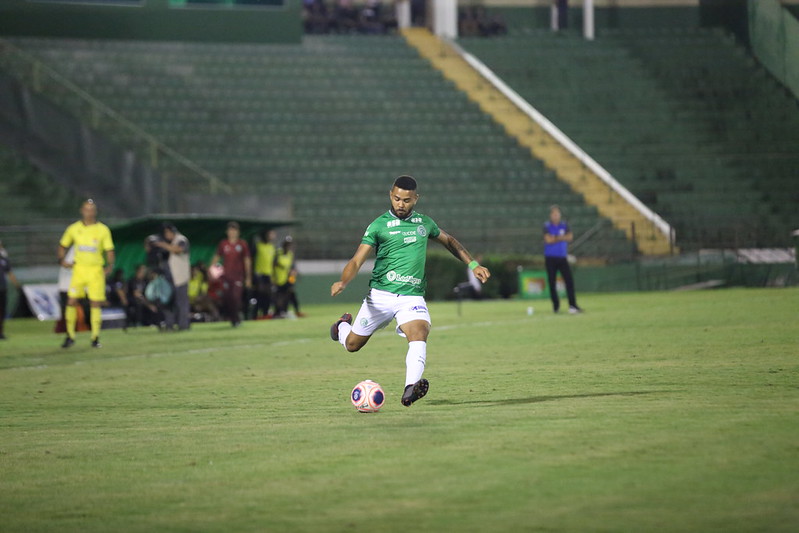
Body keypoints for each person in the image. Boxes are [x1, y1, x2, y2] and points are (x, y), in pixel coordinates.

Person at [329, 175, 490, 407]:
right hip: (380, 297)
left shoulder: (424, 223)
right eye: (396, 199)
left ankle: (410, 389)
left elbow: (450, 241)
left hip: (411, 297)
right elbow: (356, 261)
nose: (401, 204)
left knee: (419, 332)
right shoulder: (378, 225)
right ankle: (340, 327)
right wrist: (343, 282)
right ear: (390, 196)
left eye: (406, 200)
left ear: (416, 199)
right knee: (352, 345)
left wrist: (473, 264)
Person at [57, 199, 115, 348]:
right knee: (71, 301)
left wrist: (110, 266)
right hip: (79, 270)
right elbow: (63, 245)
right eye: (86, 209)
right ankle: (70, 336)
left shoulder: (102, 230)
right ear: (82, 211)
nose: (89, 212)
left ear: (95, 212)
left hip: (95, 270)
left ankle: (95, 337)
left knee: (95, 302)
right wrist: (62, 260)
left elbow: (109, 250)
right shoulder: (74, 228)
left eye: (92, 209)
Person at [210, 221, 252, 327]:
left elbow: (247, 261)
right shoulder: (223, 244)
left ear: (238, 232)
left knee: (236, 297)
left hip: (238, 276)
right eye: (230, 230)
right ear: (227, 232)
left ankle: (237, 318)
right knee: (227, 298)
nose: (232, 232)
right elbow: (216, 258)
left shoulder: (242, 244)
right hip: (226, 277)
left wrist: (248, 277)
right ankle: (234, 319)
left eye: (234, 230)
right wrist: (211, 270)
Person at [543, 205, 581, 314]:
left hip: (562, 257)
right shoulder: (547, 226)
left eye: (557, 214)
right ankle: (556, 306)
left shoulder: (565, 225)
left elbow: (570, 237)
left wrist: (555, 238)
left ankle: (572, 305)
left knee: (569, 281)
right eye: (553, 214)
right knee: (552, 282)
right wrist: (561, 237)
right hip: (550, 258)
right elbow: (548, 240)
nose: (555, 216)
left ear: (560, 215)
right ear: (551, 215)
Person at [154, 223, 191, 331]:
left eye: (167, 232)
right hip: (169, 278)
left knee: (181, 303)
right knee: (168, 303)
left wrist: (162, 245)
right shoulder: (168, 243)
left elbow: (179, 249)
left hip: (180, 278)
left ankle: (183, 325)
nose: (166, 235)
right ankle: (169, 324)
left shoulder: (181, 239)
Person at [274, 236, 303, 318]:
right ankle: (279, 311)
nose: (289, 247)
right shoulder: (278, 253)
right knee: (279, 296)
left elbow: (293, 267)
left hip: (289, 278)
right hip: (279, 278)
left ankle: (289, 311)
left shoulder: (290, 255)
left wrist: (292, 278)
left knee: (289, 293)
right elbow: (274, 264)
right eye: (288, 245)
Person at [0, 240, 22, 340]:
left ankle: (1, 333)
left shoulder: (4, 259)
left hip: (2, 288)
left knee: (2, 311)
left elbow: (10, 273)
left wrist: (17, 285)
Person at [253, 229, 277, 318]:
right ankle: (255, 314)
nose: (272, 236)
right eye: (271, 234)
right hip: (259, 274)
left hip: (268, 275)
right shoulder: (258, 246)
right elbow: (252, 260)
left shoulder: (272, 247)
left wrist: (274, 276)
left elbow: (273, 263)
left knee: (268, 295)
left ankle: (265, 314)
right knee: (259, 295)